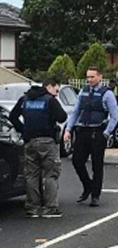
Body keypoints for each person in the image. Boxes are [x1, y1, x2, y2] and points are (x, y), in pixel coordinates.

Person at [9, 79, 67, 218]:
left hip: (29, 141)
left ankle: (32, 208)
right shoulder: (49, 100)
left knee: (32, 175)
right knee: (50, 174)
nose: (57, 94)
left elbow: (12, 116)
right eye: (56, 90)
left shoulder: (25, 99)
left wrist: (23, 130)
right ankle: (50, 208)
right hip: (47, 141)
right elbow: (62, 117)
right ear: (49, 87)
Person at [64, 66, 118, 207]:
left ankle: (95, 195)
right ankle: (88, 186)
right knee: (77, 161)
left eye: (92, 77)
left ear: (99, 77)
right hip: (82, 130)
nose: (89, 80)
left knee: (97, 165)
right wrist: (68, 129)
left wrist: (106, 133)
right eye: (88, 77)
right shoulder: (83, 91)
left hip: (98, 132)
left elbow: (114, 116)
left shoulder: (107, 93)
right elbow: (76, 111)